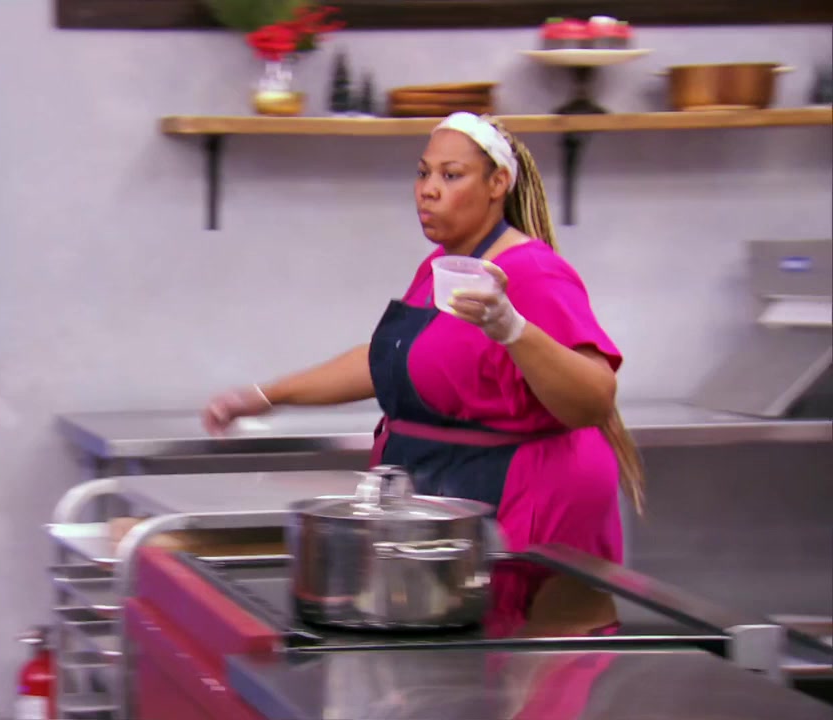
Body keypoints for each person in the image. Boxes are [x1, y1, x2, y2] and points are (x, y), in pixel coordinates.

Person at [201, 112, 644, 563]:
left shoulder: (532, 271)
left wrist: (514, 330)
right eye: (422, 173)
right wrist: (265, 396)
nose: (428, 190)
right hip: (448, 498)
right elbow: (395, 360)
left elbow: (595, 399)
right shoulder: (443, 268)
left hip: (523, 505)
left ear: (498, 183)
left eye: (451, 175)